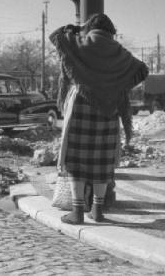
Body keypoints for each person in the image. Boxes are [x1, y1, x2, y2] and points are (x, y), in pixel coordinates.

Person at [50, 13, 148, 224]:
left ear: (89, 27)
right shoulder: (119, 52)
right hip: (110, 108)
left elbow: (57, 36)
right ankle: (97, 210)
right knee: (102, 162)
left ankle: (77, 212)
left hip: (81, 106)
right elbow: (142, 70)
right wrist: (118, 86)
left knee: (76, 161)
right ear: (111, 31)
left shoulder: (80, 43)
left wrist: (75, 28)